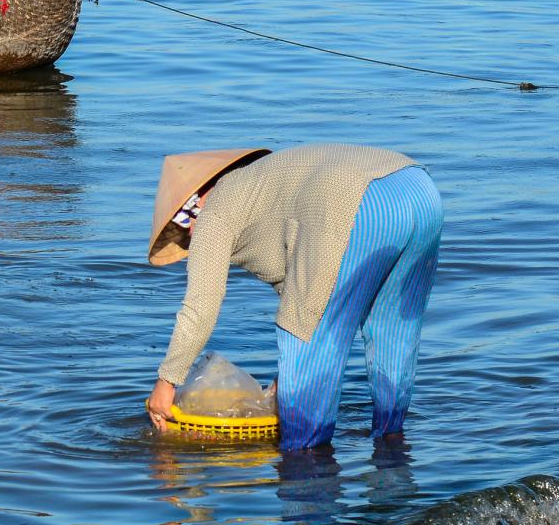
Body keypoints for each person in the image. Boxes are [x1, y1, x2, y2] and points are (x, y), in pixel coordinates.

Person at [143, 145, 441, 451]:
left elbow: (200, 307)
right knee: (393, 334)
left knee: (305, 418)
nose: (188, 234)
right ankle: (394, 473)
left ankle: (309, 483)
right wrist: (283, 380)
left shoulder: (216, 209)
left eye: (182, 223)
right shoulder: (262, 186)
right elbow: (301, 288)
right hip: (419, 190)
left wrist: (166, 384)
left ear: (195, 202)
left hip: (355, 203)